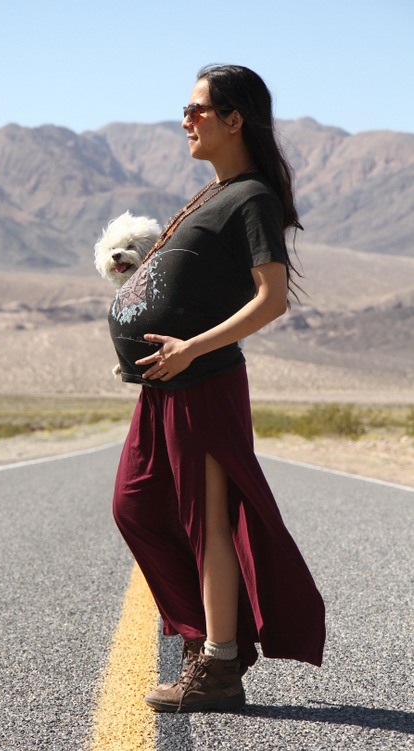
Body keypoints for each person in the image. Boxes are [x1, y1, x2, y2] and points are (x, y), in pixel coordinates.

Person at [108, 64, 326, 713]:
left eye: (197, 109)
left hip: (202, 380)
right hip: (164, 383)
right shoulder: (215, 192)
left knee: (207, 524)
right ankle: (203, 636)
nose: (185, 120)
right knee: (134, 506)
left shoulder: (252, 197)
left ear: (234, 119)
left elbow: (271, 300)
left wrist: (192, 347)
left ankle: (219, 664)